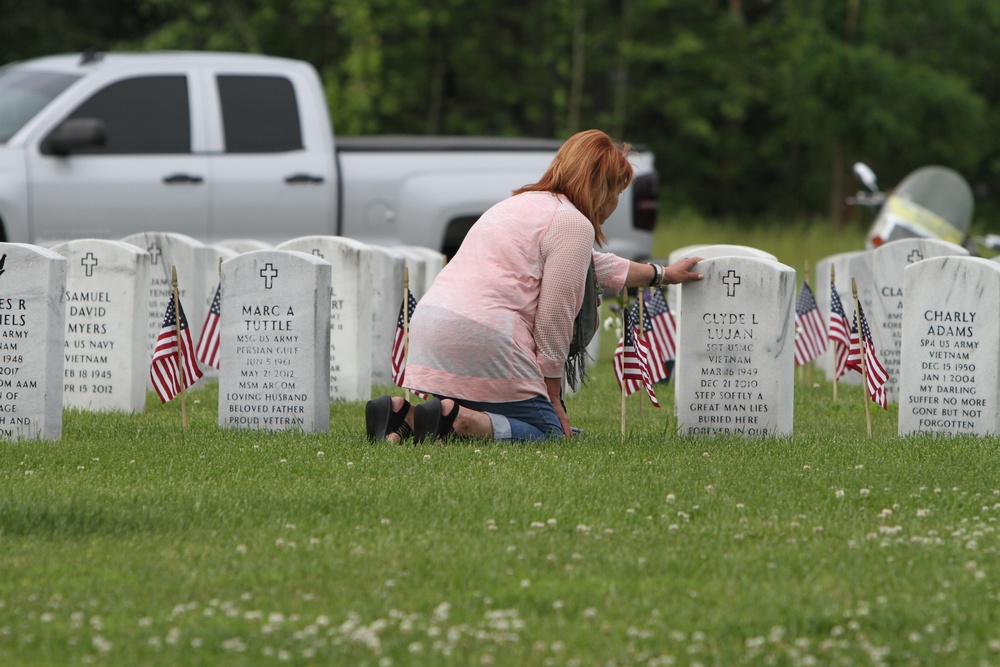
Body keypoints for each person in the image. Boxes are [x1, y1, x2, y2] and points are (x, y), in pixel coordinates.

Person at [365, 129, 702, 444]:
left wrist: (662, 274)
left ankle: (403, 416)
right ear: (601, 189)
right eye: (616, 191)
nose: (615, 203)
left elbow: (594, 264)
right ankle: (462, 422)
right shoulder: (573, 223)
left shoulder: (517, 205)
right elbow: (555, 317)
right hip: (487, 336)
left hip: (433, 326)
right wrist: (552, 395)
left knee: (459, 413)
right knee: (549, 432)